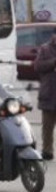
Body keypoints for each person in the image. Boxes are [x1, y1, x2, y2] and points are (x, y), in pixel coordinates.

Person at [34, 29, 56, 161]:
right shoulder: (45, 49)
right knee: (47, 127)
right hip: (49, 92)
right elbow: (37, 66)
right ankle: (47, 151)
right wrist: (53, 61)